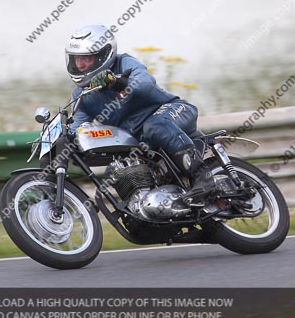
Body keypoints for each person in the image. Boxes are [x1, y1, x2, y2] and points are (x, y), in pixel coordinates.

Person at [65, 23, 215, 198]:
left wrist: (117, 82)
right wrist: (65, 136)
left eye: (86, 58)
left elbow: (145, 82)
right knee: (117, 168)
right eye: (76, 58)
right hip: (140, 138)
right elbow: (78, 125)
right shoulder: (81, 94)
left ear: (102, 56)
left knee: (154, 125)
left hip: (173, 111)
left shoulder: (123, 62)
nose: (80, 64)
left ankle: (203, 177)